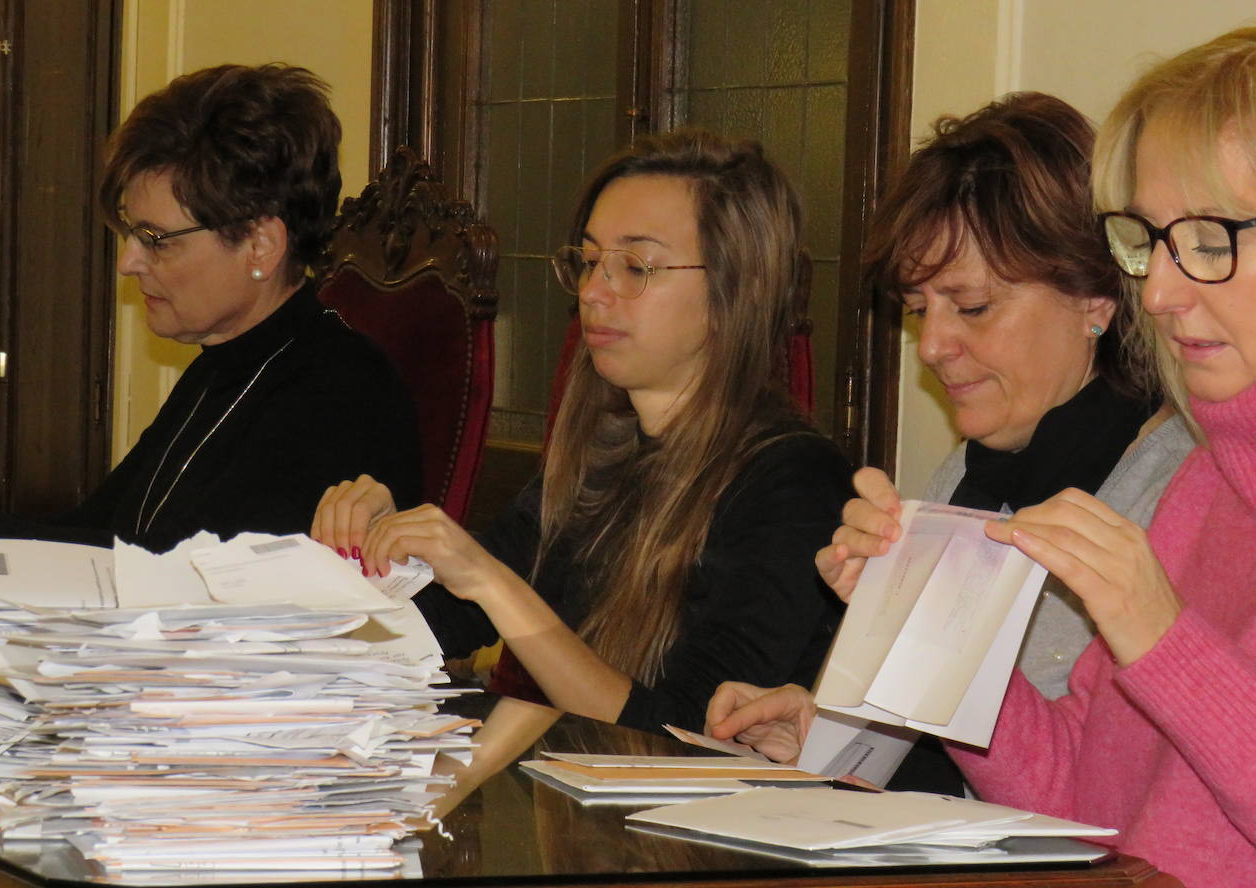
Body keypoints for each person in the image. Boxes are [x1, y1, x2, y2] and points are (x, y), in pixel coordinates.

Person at [716, 22, 1256, 888]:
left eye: (1209, 240)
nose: (1158, 287)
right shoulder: (1208, 485)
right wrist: (929, 626)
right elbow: (1081, 799)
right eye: (1145, 241)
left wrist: (1164, 639)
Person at [712, 92, 1192, 790]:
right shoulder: (969, 472)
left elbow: (1112, 786)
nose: (932, 345)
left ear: (1097, 297)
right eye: (917, 310)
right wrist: (825, 733)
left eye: (972, 306)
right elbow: (936, 745)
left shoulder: (1173, 489)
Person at [312, 129, 851, 746]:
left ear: (736, 290)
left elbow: (682, 737)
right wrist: (375, 560)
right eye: (590, 261)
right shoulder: (603, 450)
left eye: (635, 267)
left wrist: (491, 582)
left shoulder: (794, 483)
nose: (594, 292)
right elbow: (440, 623)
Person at [39, 63, 420, 552]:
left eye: (155, 239)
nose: (128, 263)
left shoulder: (344, 395)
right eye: (131, 233)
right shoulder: (219, 366)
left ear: (260, 246)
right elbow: (93, 535)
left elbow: (209, 592)